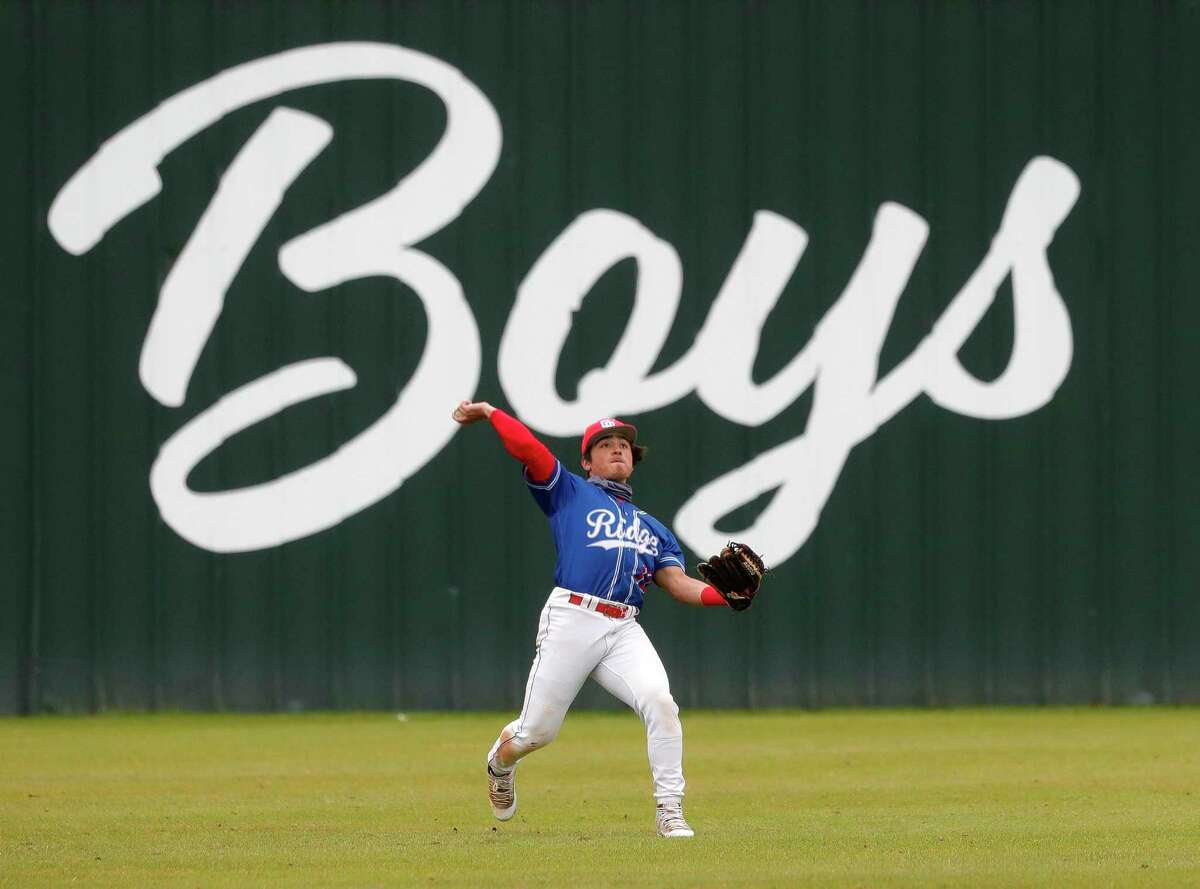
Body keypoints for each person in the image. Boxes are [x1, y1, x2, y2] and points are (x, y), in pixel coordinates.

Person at [451, 399, 744, 839]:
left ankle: (670, 810)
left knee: (661, 702)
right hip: (572, 616)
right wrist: (494, 414)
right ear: (587, 461)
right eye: (604, 445)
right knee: (537, 733)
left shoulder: (652, 528)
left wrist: (726, 597)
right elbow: (530, 451)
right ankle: (500, 762)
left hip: (624, 626)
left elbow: (677, 582)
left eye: (623, 444)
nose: (617, 450)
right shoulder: (568, 491)